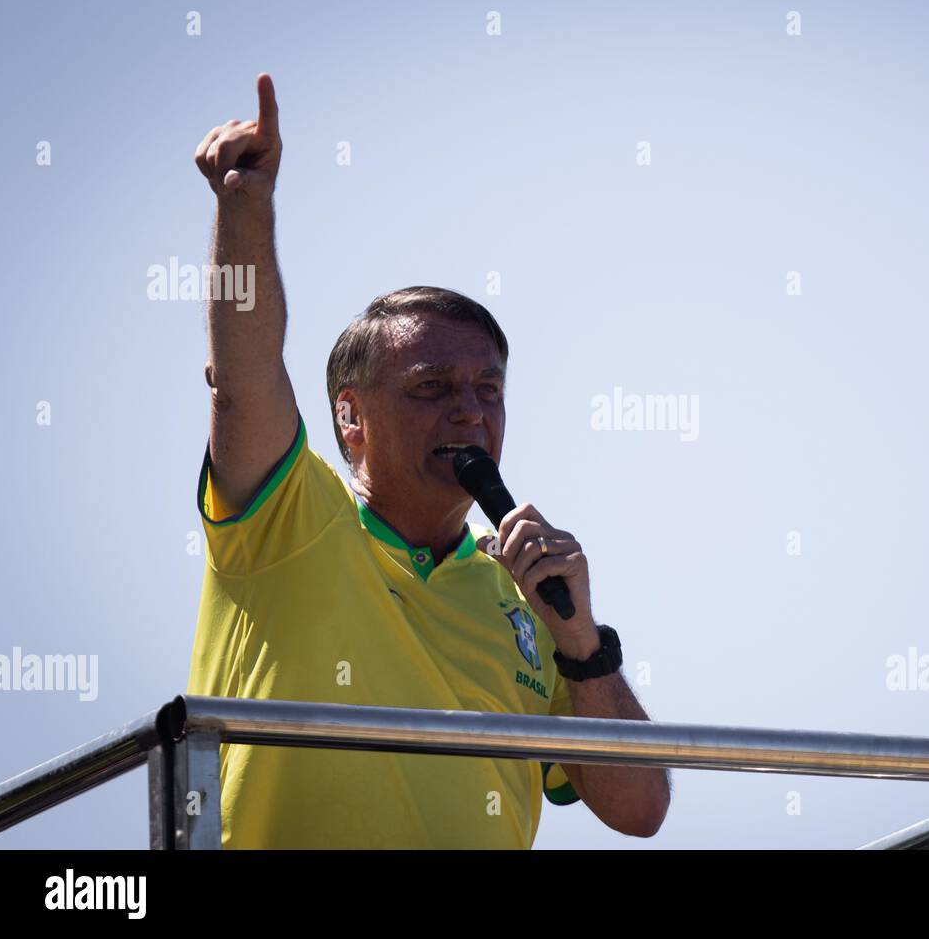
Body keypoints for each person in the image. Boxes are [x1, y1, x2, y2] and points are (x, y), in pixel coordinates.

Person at [186, 73, 670, 848]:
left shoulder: (526, 598)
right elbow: (243, 381)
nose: (470, 410)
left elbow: (640, 811)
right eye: (432, 387)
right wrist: (243, 205)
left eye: (488, 388)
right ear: (351, 418)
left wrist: (580, 646)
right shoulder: (290, 515)